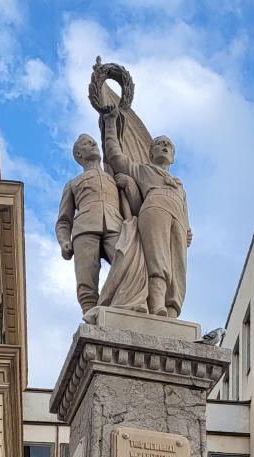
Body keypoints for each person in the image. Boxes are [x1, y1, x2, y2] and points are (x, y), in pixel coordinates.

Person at [103, 107, 193, 318]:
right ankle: (157, 305)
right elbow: (116, 156)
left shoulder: (180, 185)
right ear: (151, 152)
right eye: (159, 144)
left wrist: (188, 228)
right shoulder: (143, 170)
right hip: (154, 208)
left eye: (168, 145)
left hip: (177, 218)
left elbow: (185, 210)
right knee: (158, 258)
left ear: (173, 156)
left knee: (177, 267)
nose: (164, 146)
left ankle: (172, 310)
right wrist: (109, 124)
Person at [55, 134, 137, 313]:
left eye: (93, 142)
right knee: (87, 276)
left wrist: (128, 184)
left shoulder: (114, 178)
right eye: (86, 143)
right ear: (78, 154)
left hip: (115, 225)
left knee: (127, 262)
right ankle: (89, 313)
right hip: (84, 228)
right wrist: (64, 241)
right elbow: (63, 220)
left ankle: (123, 304)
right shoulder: (73, 183)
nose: (93, 144)